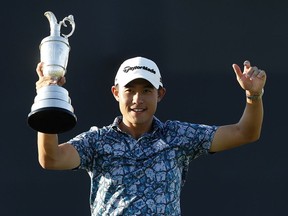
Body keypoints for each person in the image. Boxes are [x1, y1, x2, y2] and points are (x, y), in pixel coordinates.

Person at [35, 56, 266, 215]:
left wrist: (253, 96)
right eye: (130, 90)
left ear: (160, 94)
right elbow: (51, 158)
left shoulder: (177, 136)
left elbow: (245, 132)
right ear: (116, 93)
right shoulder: (97, 142)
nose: (138, 99)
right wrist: (48, 101)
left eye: (146, 91)